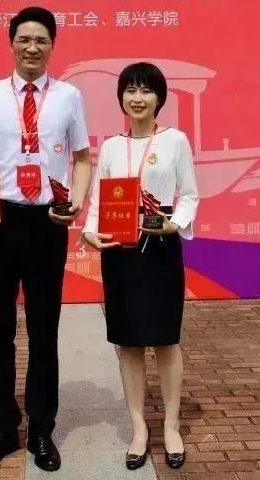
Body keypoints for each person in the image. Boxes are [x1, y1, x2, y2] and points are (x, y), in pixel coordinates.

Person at [0, 6, 92, 473]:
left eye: (41, 40)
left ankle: (41, 429)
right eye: (24, 39)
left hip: (47, 223)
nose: (32, 48)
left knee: (43, 328)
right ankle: (2, 426)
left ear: (52, 46)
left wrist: (75, 203)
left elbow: (82, 158)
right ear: (11, 43)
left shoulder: (69, 96)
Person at [81, 61, 199, 471]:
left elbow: (190, 194)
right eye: (130, 90)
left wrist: (175, 223)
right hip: (120, 253)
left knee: (166, 341)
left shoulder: (175, 140)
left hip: (161, 249)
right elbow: (99, 200)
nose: (137, 98)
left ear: (159, 98)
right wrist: (89, 231)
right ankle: (138, 428)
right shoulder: (112, 147)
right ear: (121, 98)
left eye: (145, 90)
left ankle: (171, 426)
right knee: (128, 343)